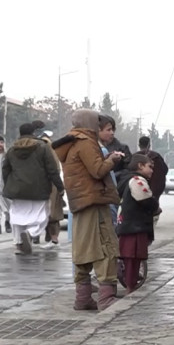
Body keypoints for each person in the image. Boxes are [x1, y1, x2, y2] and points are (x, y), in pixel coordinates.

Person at [53, 108, 125, 310]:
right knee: (105, 246)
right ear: (89, 122)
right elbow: (97, 170)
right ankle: (106, 297)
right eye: (96, 121)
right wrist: (112, 160)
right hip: (94, 200)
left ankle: (83, 298)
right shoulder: (86, 142)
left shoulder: (72, 142)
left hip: (80, 201)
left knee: (83, 249)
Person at [2, 122, 64, 255]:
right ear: (33, 133)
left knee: (17, 217)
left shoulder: (12, 149)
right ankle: (30, 232)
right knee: (41, 217)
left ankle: (19, 244)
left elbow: (5, 169)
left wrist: (8, 185)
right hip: (39, 189)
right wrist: (60, 187)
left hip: (17, 189)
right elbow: (52, 169)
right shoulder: (42, 147)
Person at [115, 154, 158, 292]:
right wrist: (155, 206)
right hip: (135, 226)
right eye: (150, 167)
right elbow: (145, 199)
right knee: (133, 259)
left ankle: (129, 282)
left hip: (127, 225)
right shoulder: (138, 181)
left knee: (129, 258)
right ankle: (130, 286)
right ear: (140, 166)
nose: (152, 170)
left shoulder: (127, 180)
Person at [35, 126, 66, 248]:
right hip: (49, 185)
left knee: (50, 213)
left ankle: (52, 238)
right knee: (49, 213)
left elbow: (55, 169)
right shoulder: (48, 146)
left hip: (49, 185)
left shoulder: (44, 147)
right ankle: (50, 237)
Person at [136, 135, 169, 204]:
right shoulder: (156, 157)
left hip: (138, 188)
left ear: (139, 145)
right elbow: (165, 170)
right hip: (155, 189)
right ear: (150, 145)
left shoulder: (135, 158)